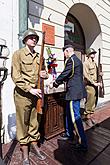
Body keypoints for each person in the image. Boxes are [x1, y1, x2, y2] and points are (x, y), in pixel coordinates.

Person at [11, 29, 48, 165]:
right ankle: (24, 150)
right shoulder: (18, 54)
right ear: (25, 40)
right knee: (23, 123)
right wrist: (30, 89)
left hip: (36, 94)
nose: (34, 39)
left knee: (35, 121)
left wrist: (45, 74)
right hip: (23, 95)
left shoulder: (40, 56)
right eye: (31, 37)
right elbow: (16, 76)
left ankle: (34, 145)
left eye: (36, 38)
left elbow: (44, 72)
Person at [51, 44, 88, 151]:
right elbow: (71, 75)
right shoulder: (76, 60)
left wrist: (55, 83)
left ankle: (83, 143)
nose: (64, 55)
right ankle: (69, 134)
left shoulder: (72, 60)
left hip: (73, 92)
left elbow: (65, 73)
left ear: (67, 51)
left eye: (64, 52)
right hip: (73, 91)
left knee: (75, 117)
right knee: (68, 113)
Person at [83, 48, 101, 126]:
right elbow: (86, 75)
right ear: (89, 54)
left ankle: (91, 117)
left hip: (95, 85)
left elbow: (97, 73)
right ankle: (87, 118)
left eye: (94, 53)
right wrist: (94, 83)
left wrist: (100, 74)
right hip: (90, 85)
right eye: (92, 53)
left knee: (94, 101)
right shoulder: (86, 63)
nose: (94, 54)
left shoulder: (95, 63)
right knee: (89, 102)